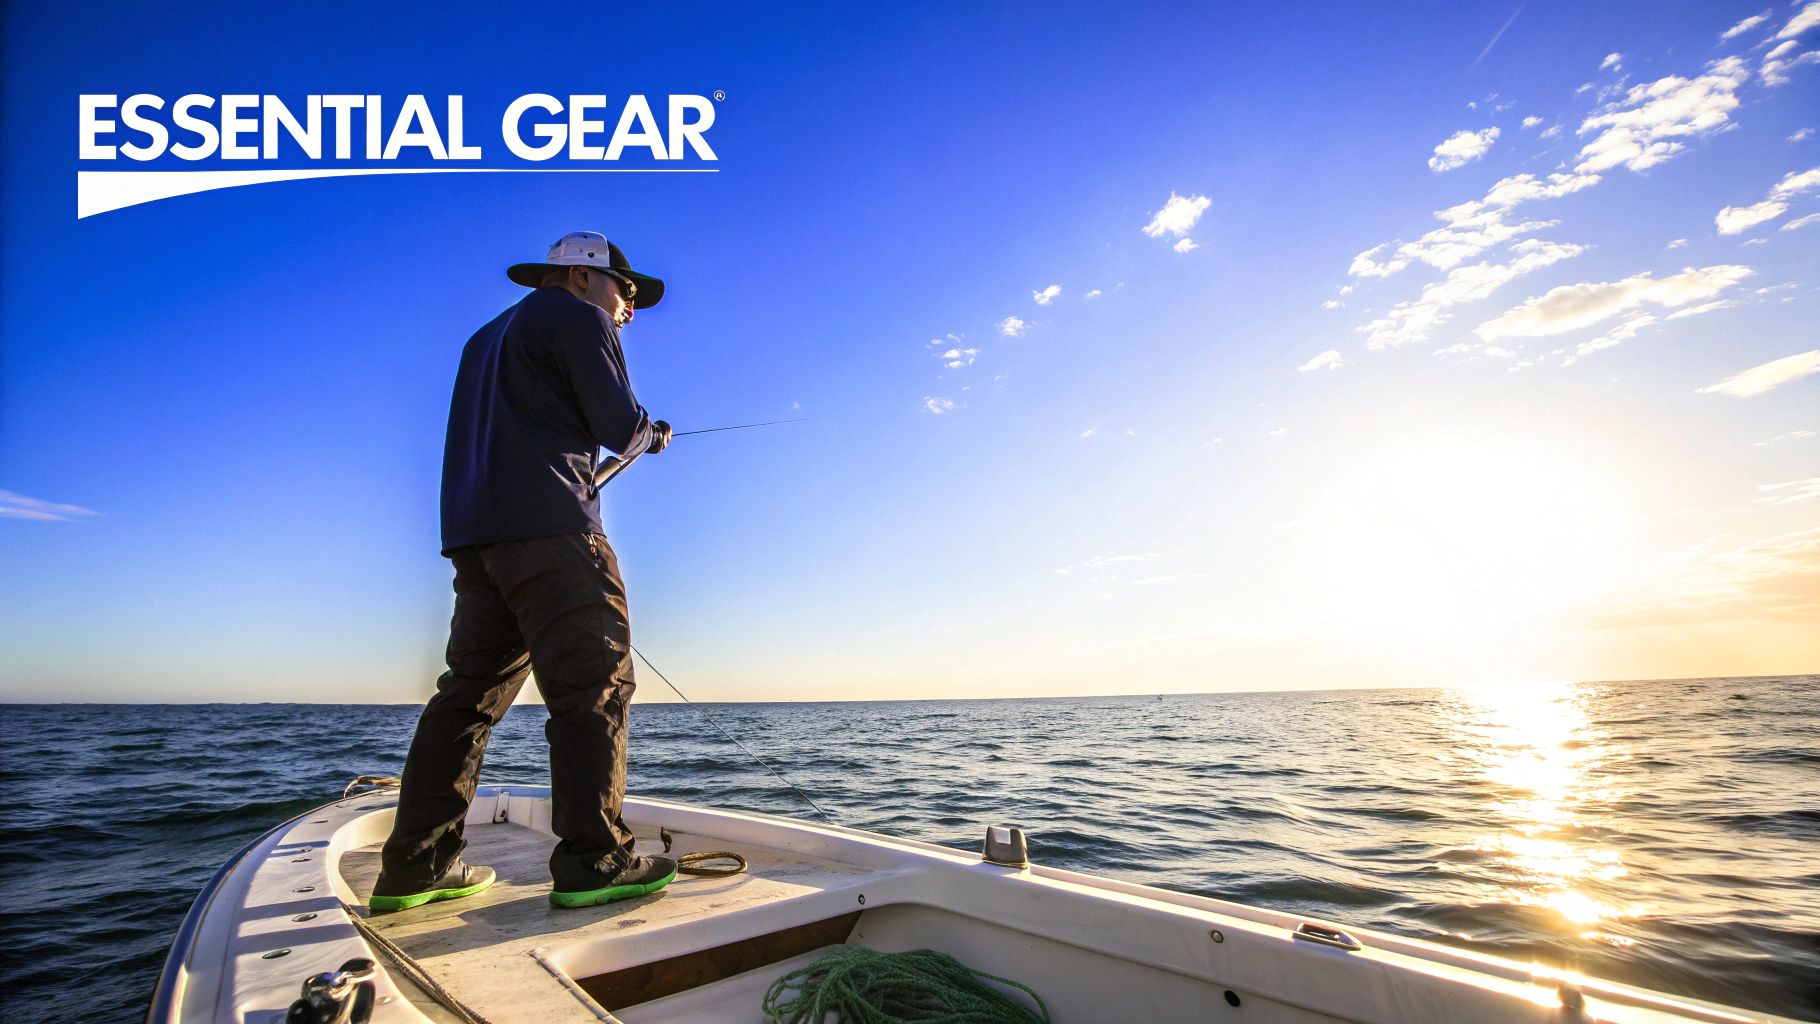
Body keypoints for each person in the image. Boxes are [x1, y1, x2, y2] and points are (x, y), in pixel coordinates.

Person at [369, 231, 678, 913]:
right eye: (625, 291)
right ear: (581, 278)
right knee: (593, 687)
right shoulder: (577, 315)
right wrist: (650, 434)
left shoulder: (482, 340)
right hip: (553, 532)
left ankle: (416, 868)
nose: (628, 307)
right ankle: (595, 862)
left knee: (466, 697)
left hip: (479, 542)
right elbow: (617, 424)